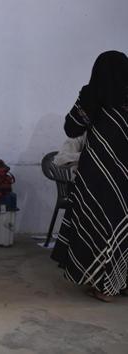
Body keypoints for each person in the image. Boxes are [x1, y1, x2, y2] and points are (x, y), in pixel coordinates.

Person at [51, 51, 128, 302]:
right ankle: (119, 283)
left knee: (98, 224)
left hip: (98, 174)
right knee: (122, 227)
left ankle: (104, 287)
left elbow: (72, 127)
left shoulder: (93, 93)